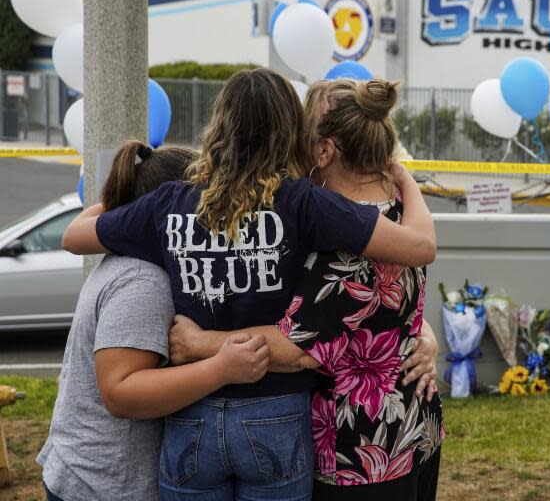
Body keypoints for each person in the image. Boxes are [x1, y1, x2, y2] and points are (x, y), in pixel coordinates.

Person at [61, 68, 437, 501]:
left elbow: (74, 236)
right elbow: (417, 247)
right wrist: (403, 176)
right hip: (275, 412)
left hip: (192, 410)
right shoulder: (302, 201)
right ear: (289, 132)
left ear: (218, 124)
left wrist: (126, 191)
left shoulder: (170, 202)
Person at [167, 79, 443, 501]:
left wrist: (199, 343)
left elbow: (299, 350)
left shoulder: (348, 249)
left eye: (300, 137)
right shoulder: (400, 213)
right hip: (410, 431)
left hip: (360, 455)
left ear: (324, 151)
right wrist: (425, 334)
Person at [38, 141, 271, 501]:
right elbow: (120, 392)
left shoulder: (130, 261)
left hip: (88, 476)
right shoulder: (144, 281)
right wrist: (223, 368)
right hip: (105, 486)